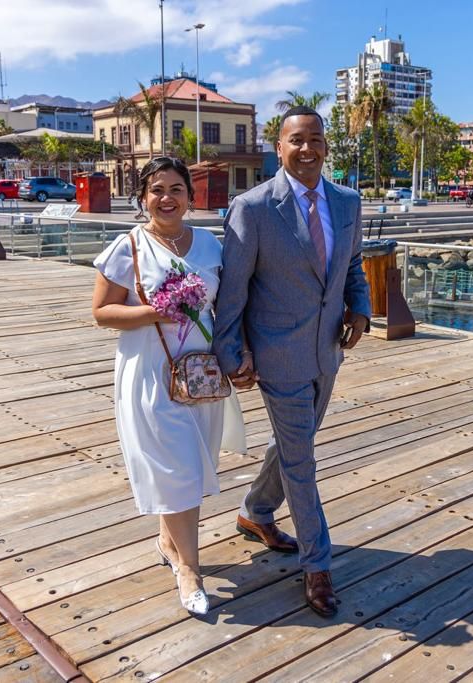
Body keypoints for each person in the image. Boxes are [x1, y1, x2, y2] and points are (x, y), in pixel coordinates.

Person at [213, 106, 372, 618]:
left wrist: (361, 309)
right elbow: (233, 289)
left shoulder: (347, 202)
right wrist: (231, 352)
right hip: (276, 355)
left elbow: (352, 265)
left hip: (328, 351)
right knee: (302, 461)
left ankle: (256, 511)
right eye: (296, 141)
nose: (308, 149)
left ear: (327, 147)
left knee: (292, 444)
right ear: (278, 147)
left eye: (316, 140)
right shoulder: (253, 207)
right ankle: (317, 566)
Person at [91, 156, 228, 616]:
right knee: (176, 468)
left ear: (190, 196)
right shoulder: (127, 246)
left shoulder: (210, 246)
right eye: (156, 190)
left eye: (175, 189)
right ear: (142, 197)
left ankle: (170, 544)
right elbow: (102, 312)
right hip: (149, 371)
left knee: (193, 461)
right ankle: (190, 569)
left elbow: (224, 308)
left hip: (201, 374)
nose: (166, 198)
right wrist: (154, 312)